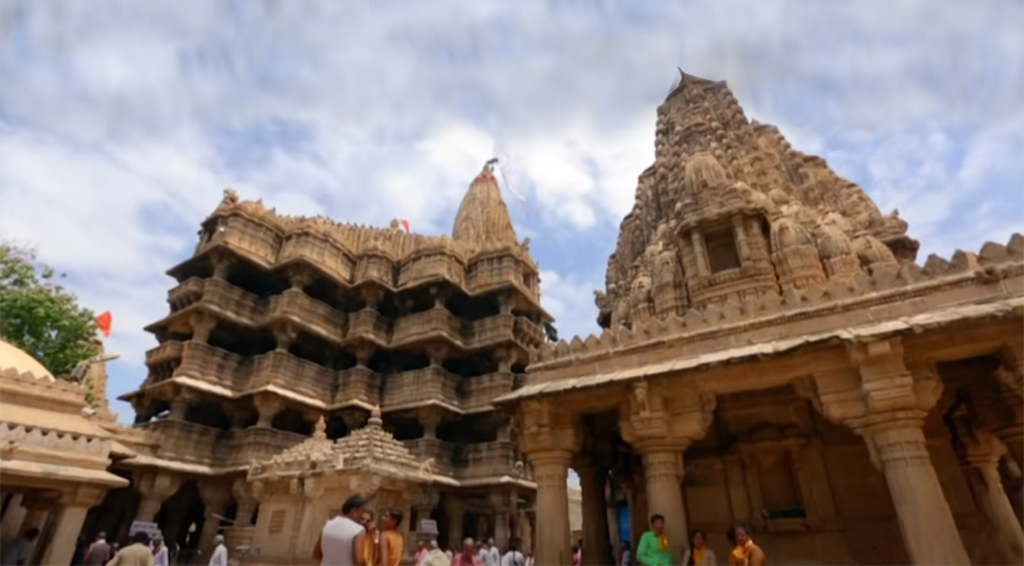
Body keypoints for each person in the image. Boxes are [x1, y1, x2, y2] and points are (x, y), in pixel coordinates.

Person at [314, 494, 367, 566]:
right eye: (362, 511)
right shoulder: (357, 530)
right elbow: (359, 561)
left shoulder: (328, 524)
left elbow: (316, 554)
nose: (363, 515)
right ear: (354, 511)